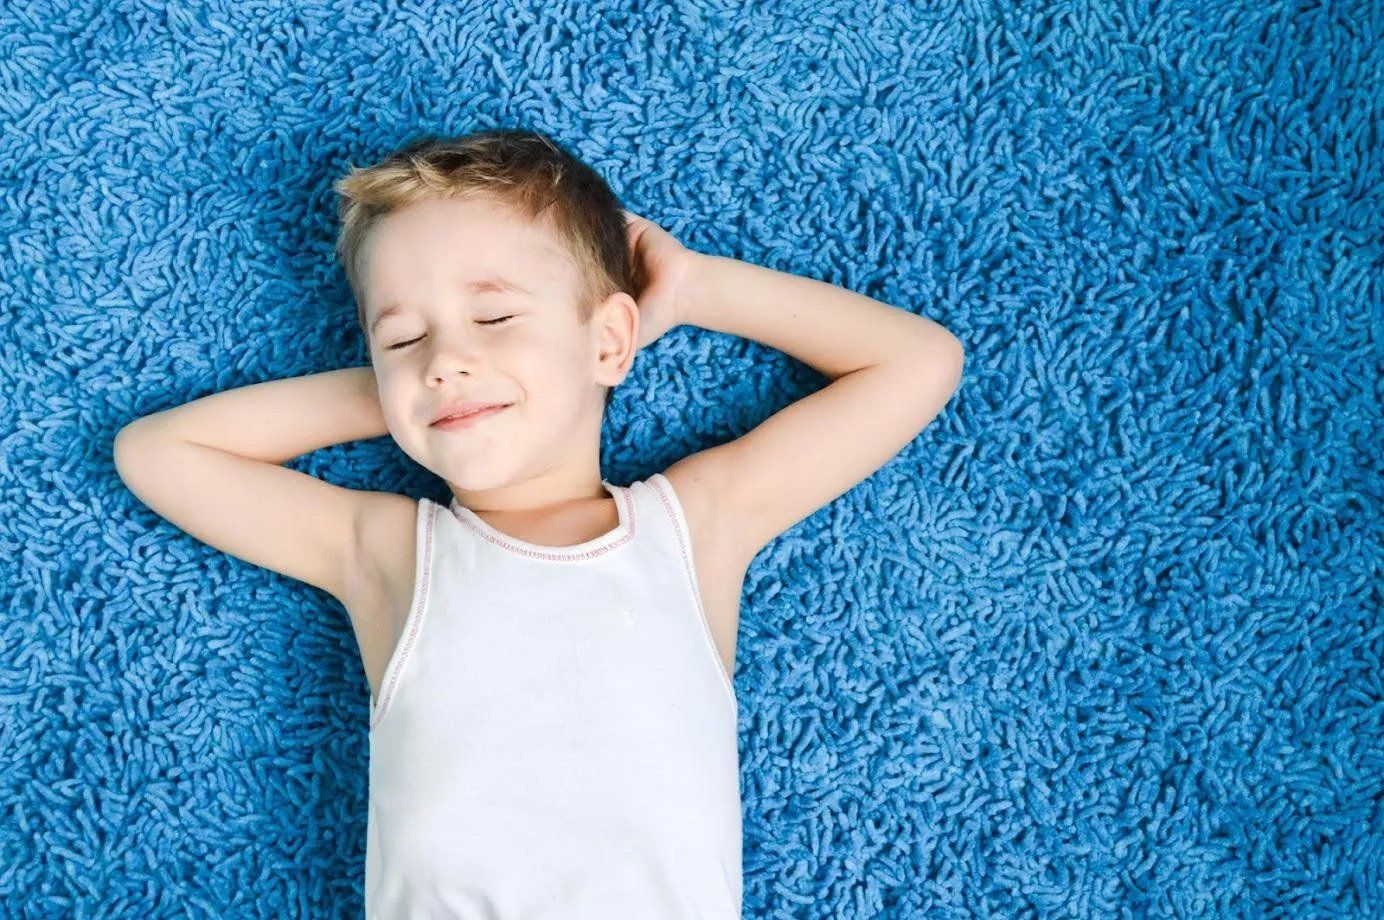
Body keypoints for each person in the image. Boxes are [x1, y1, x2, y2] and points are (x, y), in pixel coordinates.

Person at [112, 128, 965, 918]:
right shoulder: (390, 556)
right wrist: (407, 392)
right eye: (403, 334)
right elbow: (160, 454)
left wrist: (695, 288)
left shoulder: (694, 527)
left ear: (607, 343)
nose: (449, 357)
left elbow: (918, 361)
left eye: (493, 319)